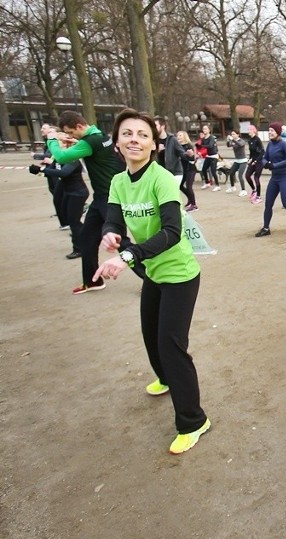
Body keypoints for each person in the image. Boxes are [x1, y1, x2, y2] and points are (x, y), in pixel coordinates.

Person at [93, 108, 209, 455]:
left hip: (179, 273)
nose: (134, 139)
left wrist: (127, 256)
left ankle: (194, 420)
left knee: (172, 346)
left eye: (142, 134)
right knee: (150, 336)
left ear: (154, 144)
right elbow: (112, 220)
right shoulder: (117, 182)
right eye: (127, 133)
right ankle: (165, 379)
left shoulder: (161, 179)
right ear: (116, 142)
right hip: (153, 271)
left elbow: (172, 233)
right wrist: (111, 235)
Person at [45, 110, 125, 294]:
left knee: (122, 241)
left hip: (109, 198)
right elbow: (92, 149)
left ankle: (153, 280)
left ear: (80, 126)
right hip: (100, 198)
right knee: (87, 239)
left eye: (72, 133)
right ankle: (92, 281)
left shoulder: (91, 141)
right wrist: (75, 142)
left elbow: (62, 157)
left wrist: (51, 140)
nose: (71, 136)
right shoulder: (98, 136)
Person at [31, 131, 88, 259]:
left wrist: (42, 170)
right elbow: (51, 172)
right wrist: (37, 172)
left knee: (74, 221)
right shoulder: (57, 158)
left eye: (60, 142)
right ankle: (86, 235)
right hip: (68, 192)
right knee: (70, 220)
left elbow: (63, 173)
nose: (57, 146)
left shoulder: (73, 158)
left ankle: (79, 249)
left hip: (78, 193)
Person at [255, 123, 286, 238]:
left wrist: (275, 165)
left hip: (285, 177)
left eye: (272, 130)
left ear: (278, 132)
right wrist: (266, 164)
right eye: (269, 130)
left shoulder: (283, 144)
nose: (270, 132)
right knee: (268, 204)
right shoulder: (270, 145)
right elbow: (264, 158)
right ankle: (266, 228)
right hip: (274, 178)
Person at [175, 130, 198, 211]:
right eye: (177, 135)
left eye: (180, 135)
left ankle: (194, 205)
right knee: (180, 185)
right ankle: (190, 199)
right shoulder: (177, 146)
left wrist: (190, 155)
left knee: (189, 186)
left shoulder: (188, 145)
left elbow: (192, 159)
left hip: (190, 169)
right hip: (182, 169)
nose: (178, 137)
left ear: (184, 136)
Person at [245, 124, 265, 204]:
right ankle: (254, 190)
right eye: (248, 130)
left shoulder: (257, 140)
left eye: (250, 129)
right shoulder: (250, 141)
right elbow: (251, 153)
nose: (248, 131)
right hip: (253, 161)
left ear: (254, 130)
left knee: (256, 178)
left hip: (259, 162)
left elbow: (262, 152)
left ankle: (258, 196)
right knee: (247, 176)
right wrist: (250, 159)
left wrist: (256, 161)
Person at [196, 125, 219, 191]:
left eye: (206, 129)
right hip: (208, 156)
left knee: (213, 171)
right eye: (203, 129)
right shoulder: (203, 139)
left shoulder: (211, 137)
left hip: (214, 156)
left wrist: (201, 145)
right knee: (203, 169)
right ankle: (207, 183)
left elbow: (210, 146)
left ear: (209, 130)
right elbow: (201, 147)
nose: (204, 130)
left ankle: (217, 185)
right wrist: (198, 147)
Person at [225, 131, 248, 196]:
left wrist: (232, 140)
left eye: (233, 134)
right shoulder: (233, 141)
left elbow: (240, 144)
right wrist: (228, 140)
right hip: (237, 160)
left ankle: (243, 190)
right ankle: (232, 187)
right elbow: (228, 145)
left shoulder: (241, 141)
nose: (232, 135)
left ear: (238, 135)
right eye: (231, 134)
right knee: (231, 173)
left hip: (243, 161)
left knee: (240, 175)